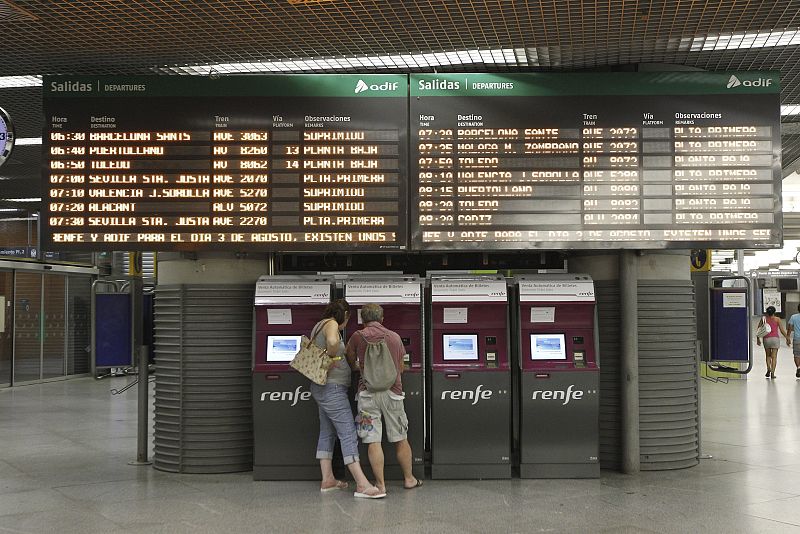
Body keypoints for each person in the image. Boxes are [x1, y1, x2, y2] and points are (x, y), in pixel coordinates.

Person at [308, 299, 385, 499]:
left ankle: (328, 480)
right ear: (345, 315)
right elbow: (333, 342)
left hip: (321, 387)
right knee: (348, 433)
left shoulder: (318, 325)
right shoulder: (332, 324)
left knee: (327, 432)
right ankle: (362, 484)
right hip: (332, 389)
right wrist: (332, 358)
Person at [345, 303, 422, 494]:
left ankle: (380, 484)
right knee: (400, 438)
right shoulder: (394, 337)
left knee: (373, 440)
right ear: (382, 318)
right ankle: (409, 479)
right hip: (393, 394)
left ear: (362, 319)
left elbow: (349, 356)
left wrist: (358, 367)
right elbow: (401, 367)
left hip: (367, 394)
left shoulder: (357, 336)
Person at [756, 306, 789, 379]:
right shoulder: (777, 319)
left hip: (766, 339)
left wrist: (758, 339)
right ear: (774, 312)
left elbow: (758, 329)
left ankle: (768, 368)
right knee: (774, 357)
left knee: (768, 356)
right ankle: (773, 373)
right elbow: (782, 330)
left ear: (767, 312)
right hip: (775, 339)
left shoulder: (763, 319)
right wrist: (787, 337)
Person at [785, 304, 800, 379]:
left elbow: (790, 327)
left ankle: (798, 367)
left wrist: (788, 337)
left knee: (797, 355)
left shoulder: (793, 317)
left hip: (797, 339)